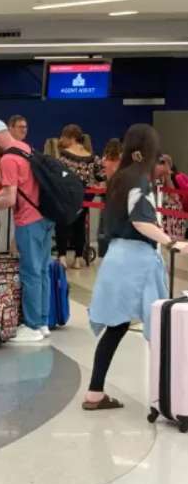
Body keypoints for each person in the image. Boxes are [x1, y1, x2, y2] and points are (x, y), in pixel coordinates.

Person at [86, 124, 188, 410]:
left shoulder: (119, 177)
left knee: (117, 326)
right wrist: (172, 243)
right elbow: (141, 221)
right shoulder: (139, 180)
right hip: (138, 261)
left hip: (117, 257)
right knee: (161, 327)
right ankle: (171, 396)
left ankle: (95, 392)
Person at [0, 119, 53, 343]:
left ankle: (32, 326)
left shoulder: (8, 159)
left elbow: (9, 197)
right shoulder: (26, 149)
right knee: (42, 271)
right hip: (45, 216)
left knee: (30, 273)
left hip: (28, 220)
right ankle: (43, 322)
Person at [55, 124, 104, 269]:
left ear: (71, 138)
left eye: (64, 137)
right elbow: (101, 176)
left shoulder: (64, 156)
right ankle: (77, 259)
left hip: (68, 196)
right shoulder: (92, 157)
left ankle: (62, 257)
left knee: (62, 224)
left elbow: (59, 175)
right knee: (80, 226)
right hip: (86, 196)